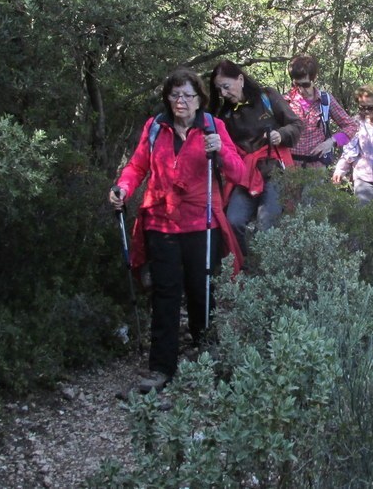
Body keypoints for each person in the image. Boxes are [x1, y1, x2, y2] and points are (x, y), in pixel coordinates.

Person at [110, 68, 244, 394]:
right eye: (174, 95)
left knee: (202, 293)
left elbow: (238, 171)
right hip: (161, 221)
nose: (180, 101)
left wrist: (221, 152)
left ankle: (205, 356)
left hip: (202, 222)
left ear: (200, 99)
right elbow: (138, 165)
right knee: (166, 295)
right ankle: (161, 369)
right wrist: (123, 188)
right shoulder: (156, 127)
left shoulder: (214, 127)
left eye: (187, 95)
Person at [210, 59, 303, 257]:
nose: (223, 94)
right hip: (246, 174)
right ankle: (244, 268)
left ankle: (268, 271)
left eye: (226, 87)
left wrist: (281, 135)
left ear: (240, 79)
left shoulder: (267, 97)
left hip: (275, 170)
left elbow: (295, 124)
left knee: (266, 223)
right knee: (233, 220)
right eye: (219, 90)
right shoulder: (225, 114)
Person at [284, 55, 358, 168]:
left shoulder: (325, 100)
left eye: (306, 84)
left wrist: (331, 142)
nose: (301, 89)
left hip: (316, 168)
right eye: (297, 84)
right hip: (289, 168)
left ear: (315, 78)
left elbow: (351, 126)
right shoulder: (285, 101)